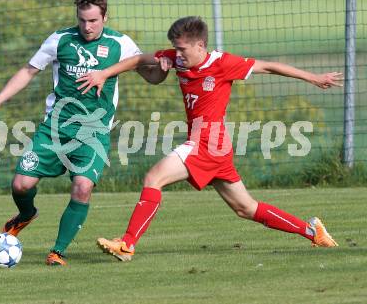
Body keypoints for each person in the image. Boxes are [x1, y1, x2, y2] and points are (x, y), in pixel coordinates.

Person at [77, 16, 343, 261]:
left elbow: (269, 66)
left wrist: (314, 78)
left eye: (182, 49)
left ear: (200, 45)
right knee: (245, 208)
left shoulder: (222, 63)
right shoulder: (177, 59)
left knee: (153, 178)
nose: (177, 54)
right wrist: (107, 73)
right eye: (175, 48)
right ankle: (312, 232)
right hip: (215, 147)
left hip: (206, 142)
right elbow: (138, 61)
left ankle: (127, 244)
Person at [0, 0, 157, 266]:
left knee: (83, 187)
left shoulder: (120, 44)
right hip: (55, 128)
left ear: (105, 17)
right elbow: (29, 70)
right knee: (21, 185)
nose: (87, 27)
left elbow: (151, 73)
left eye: (94, 21)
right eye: (82, 20)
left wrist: (164, 66)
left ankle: (57, 251)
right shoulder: (60, 39)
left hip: (93, 132)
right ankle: (26, 215)